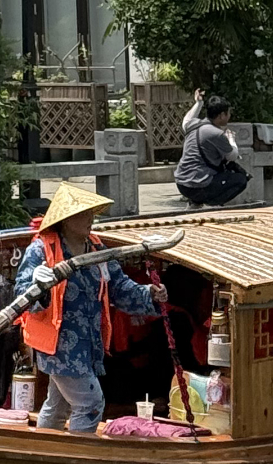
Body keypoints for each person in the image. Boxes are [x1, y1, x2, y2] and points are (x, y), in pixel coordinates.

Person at [13, 184, 166, 433]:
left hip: (89, 342)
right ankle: (78, 454)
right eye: (84, 214)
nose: (90, 220)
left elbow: (119, 286)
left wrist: (149, 293)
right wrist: (38, 285)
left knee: (58, 404)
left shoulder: (96, 248)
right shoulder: (42, 249)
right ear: (66, 219)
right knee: (91, 402)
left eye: (91, 214)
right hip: (58, 344)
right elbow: (22, 295)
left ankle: (46, 446)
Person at [174, 90, 249, 208]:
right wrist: (231, 139)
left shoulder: (193, 125)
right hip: (198, 184)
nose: (229, 116)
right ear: (221, 116)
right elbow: (232, 155)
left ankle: (195, 203)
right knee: (240, 179)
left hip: (182, 183)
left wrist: (198, 103)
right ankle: (210, 205)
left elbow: (186, 120)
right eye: (228, 113)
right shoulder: (216, 134)